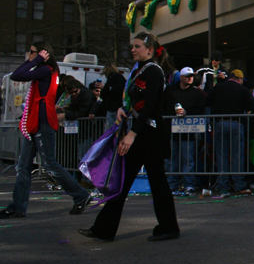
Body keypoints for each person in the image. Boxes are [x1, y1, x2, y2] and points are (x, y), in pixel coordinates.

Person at [78, 32, 179, 242]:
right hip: (143, 133)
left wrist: (132, 134)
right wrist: (122, 110)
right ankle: (105, 228)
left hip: (149, 135)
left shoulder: (153, 71)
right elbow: (136, 102)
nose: (133, 49)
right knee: (126, 182)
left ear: (150, 50)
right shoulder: (140, 70)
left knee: (154, 182)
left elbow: (151, 106)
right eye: (132, 46)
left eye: (137, 46)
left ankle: (168, 227)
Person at [1, 43, 92, 218]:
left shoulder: (46, 70)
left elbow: (16, 75)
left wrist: (38, 60)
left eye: (32, 52)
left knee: (50, 163)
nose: (29, 54)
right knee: (23, 166)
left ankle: (81, 195)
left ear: (43, 54)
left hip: (42, 120)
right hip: (36, 120)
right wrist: (36, 59)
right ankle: (17, 207)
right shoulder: (46, 70)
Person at [206, 69, 253, 196]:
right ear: (240, 79)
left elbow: (208, 102)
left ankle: (223, 184)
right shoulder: (243, 90)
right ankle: (239, 184)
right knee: (237, 155)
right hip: (237, 123)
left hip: (220, 123)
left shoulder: (218, 88)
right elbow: (250, 107)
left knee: (221, 155)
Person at [162, 67, 206, 194]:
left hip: (188, 131)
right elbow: (163, 107)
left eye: (191, 76)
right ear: (181, 77)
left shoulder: (197, 93)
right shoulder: (170, 91)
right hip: (171, 130)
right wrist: (173, 113)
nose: (190, 78)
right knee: (172, 159)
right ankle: (172, 184)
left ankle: (189, 184)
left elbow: (200, 109)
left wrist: (187, 112)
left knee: (188, 159)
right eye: (187, 76)